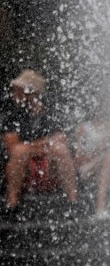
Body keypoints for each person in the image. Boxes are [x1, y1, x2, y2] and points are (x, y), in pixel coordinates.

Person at [1, 69, 78, 211]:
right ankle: (12, 204)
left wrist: (30, 146)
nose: (14, 93)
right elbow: (12, 147)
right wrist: (45, 143)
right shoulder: (11, 113)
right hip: (23, 169)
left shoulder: (51, 111)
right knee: (19, 152)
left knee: (60, 149)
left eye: (18, 90)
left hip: (48, 167)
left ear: (32, 93)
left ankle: (72, 202)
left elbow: (62, 139)